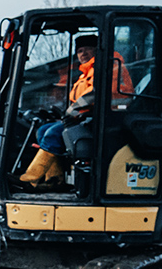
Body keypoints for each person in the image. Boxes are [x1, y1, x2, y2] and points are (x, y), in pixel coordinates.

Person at [18, 34, 135, 188]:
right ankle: (54, 180)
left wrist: (72, 111)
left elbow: (95, 94)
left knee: (53, 133)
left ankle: (29, 180)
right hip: (86, 117)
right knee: (43, 130)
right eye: (79, 51)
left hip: (105, 120)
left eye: (87, 49)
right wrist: (61, 111)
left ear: (97, 50)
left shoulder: (109, 67)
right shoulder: (87, 73)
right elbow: (78, 98)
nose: (83, 54)